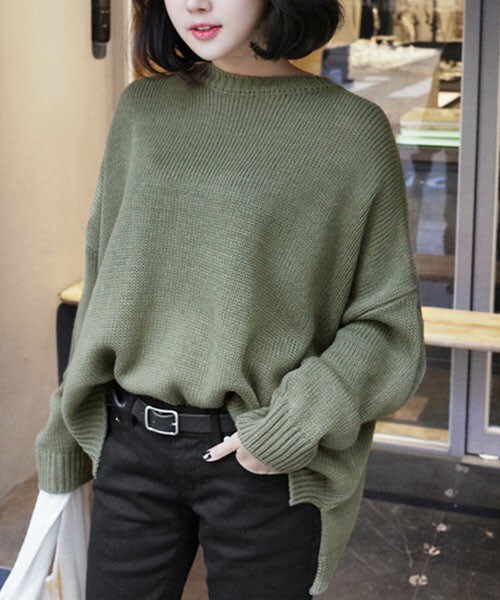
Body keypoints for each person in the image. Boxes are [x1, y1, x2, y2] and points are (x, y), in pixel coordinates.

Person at [34, 0, 426, 598]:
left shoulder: (350, 131)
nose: (196, 3)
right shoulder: (143, 111)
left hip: (262, 459)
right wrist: (64, 433)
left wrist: (287, 428)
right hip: (131, 444)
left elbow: (387, 325)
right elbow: (106, 279)